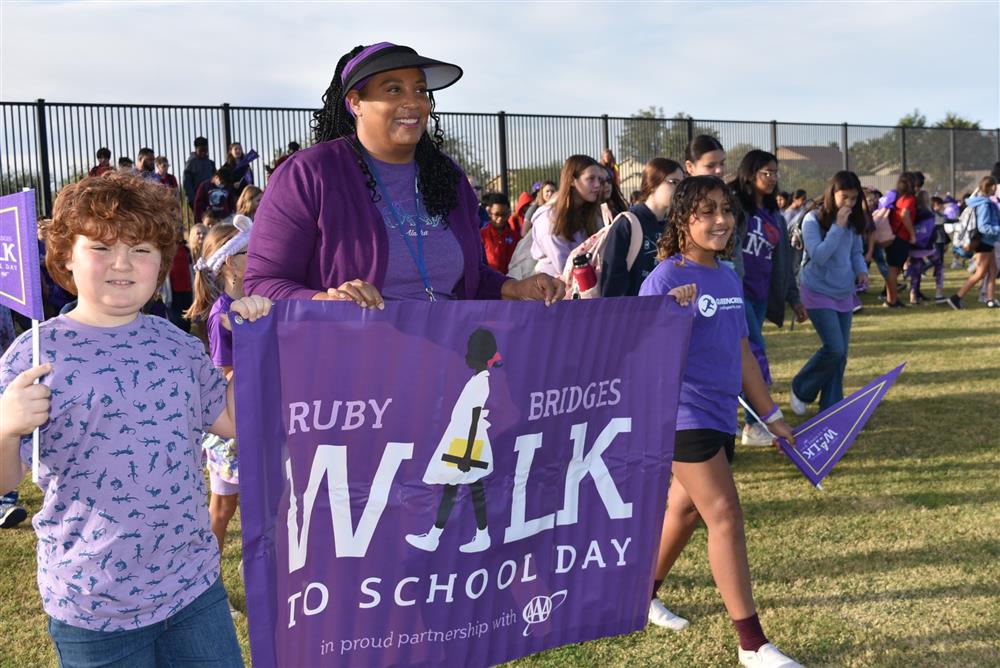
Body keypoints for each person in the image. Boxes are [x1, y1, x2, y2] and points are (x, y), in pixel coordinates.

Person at [0, 172, 272, 665]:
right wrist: (5, 428)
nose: (123, 263)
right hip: (92, 605)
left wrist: (253, 345)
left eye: (142, 249)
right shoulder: (35, 354)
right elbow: (3, 479)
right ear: (65, 256)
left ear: (163, 264)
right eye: (101, 248)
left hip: (193, 590)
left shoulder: (177, 346)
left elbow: (233, 421)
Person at [243, 42, 563, 308]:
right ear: (356, 103)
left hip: (449, 362)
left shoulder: (446, 175)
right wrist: (327, 300)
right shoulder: (308, 174)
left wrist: (517, 288)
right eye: (393, 90)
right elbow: (263, 283)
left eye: (420, 90)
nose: (413, 102)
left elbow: (470, 278)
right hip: (353, 367)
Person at [638, 176, 802, 668]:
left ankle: (637, 596)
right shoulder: (665, 278)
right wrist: (670, 317)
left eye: (725, 211)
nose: (721, 221)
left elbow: (741, 351)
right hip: (680, 414)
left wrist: (771, 416)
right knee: (724, 514)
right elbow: (639, 354)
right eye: (706, 211)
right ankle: (752, 644)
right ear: (684, 219)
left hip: (720, 414)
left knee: (684, 512)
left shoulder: (728, 276)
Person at [729, 150, 805, 446]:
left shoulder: (774, 215)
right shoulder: (737, 209)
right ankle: (754, 424)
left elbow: (782, 263)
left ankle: (735, 418)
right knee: (755, 353)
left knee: (740, 359)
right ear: (750, 174)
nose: (773, 178)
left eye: (775, 173)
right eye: (767, 173)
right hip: (737, 292)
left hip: (761, 296)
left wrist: (793, 298)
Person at [185, 221, 251, 558]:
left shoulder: (257, 301)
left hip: (260, 418)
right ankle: (212, 580)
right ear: (230, 262)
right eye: (246, 250)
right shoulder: (221, 313)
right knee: (223, 510)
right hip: (233, 425)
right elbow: (225, 372)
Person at [406, 328, 501, 553]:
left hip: (468, 444)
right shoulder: (475, 379)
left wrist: (467, 455)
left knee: (456, 488)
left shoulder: (480, 383)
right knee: (466, 488)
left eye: (469, 353)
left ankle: (439, 537)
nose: (466, 357)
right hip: (462, 441)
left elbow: (475, 419)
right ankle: (476, 535)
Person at [790, 171, 868, 415]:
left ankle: (832, 405)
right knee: (833, 347)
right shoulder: (813, 220)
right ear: (831, 193)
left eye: (854, 199)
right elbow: (820, 255)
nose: (849, 204)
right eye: (844, 197)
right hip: (817, 290)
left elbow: (856, 251)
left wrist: (861, 270)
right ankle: (802, 389)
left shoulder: (854, 222)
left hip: (843, 291)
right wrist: (837, 227)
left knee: (841, 353)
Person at [599, 158, 684, 297]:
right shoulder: (627, 222)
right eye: (674, 182)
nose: (679, 190)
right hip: (631, 312)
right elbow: (612, 281)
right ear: (653, 183)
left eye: (682, 184)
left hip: (662, 309)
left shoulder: (674, 224)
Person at [530, 155, 604, 277]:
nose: (597, 185)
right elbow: (565, 267)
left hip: (584, 286)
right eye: (591, 179)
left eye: (599, 180)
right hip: (552, 289)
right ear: (572, 181)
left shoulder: (591, 214)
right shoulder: (548, 219)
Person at [948, 176, 999, 309]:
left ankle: (990, 299)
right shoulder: (984, 205)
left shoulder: (985, 202)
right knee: (980, 273)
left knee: (993, 270)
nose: (996, 188)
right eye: (994, 185)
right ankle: (957, 297)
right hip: (984, 242)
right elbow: (983, 227)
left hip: (989, 241)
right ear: (989, 187)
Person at [885, 172, 917, 307]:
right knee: (893, 270)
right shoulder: (909, 199)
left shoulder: (898, 198)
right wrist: (912, 234)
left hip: (893, 236)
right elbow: (905, 215)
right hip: (901, 238)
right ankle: (892, 300)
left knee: (893, 270)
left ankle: (890, 298)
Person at [479, 192, 520, 274]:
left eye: (504, 215)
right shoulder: (482, 235)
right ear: (490, 213)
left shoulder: (515, 236)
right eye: (496, 214)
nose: (500, 218)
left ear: (509, 213)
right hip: (488, 281)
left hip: (511, 281)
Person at [183, 136, 217, 210]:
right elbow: (187, 182)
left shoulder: (210, 163)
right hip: (197, 198)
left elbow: (215, 178)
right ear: (196, 149)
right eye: (201, 150)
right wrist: (193, 199)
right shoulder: (191, 163)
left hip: (210, 197)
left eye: (205, 150)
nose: (203, 153)